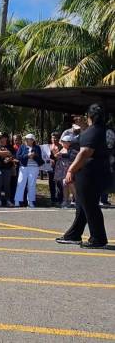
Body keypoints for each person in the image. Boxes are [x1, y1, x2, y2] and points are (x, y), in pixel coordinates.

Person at [57, 104, 109, 248]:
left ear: (90, 116)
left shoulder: (92, 131)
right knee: (83, 204)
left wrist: (71, 170)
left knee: (90, 205)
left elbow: (85, 152)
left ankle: (98, 238)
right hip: (103, 171)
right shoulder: (107, 130)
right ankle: (74, 234)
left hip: (89, 173)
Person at [14, 134, 44, 208]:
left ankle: (31, 202)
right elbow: (18, 156)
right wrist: (27, 156)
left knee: (31, 184)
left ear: (33, 140)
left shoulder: (37, 148)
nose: (26, 140)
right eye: (26, 139)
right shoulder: (22, 147)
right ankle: (17, 201)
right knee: (20, 183)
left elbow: (40, 159)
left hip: (34, 168)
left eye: (29, 139)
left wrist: (34, 156)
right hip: (23, 167)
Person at [0, 133, 16, 207]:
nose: (0, 139)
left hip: (7, 168)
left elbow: (13, 155)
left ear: (6, 138)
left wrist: (9, 159)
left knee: (7, 185)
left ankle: (8, 200)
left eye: (2, 138)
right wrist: (5, 152)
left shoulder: (10, 146)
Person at [54, 135, 78, 208]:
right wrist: (56, 155)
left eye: (64, 142)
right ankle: (66, 200)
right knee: (64, 184)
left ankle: (78, 200)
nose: (63, 143)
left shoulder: (73, 150)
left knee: (71, 184)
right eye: (62, 142)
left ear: (69, 143)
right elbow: (57, 157)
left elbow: (71, 156)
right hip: (62, 170)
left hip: (69, 170)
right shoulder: (62, 149)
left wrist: (61, 155)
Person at [47, 133, 63, 206]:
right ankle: (53, 199)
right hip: (51, 167)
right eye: (52, 138)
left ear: (59, 138)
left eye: (55, 138)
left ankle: (60, 199)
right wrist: (50, 160)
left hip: (60, 167)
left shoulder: (61, 146)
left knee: (59, 183)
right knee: (51, 183)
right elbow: (46, 157)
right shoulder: (49, 147)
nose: (54, 139)